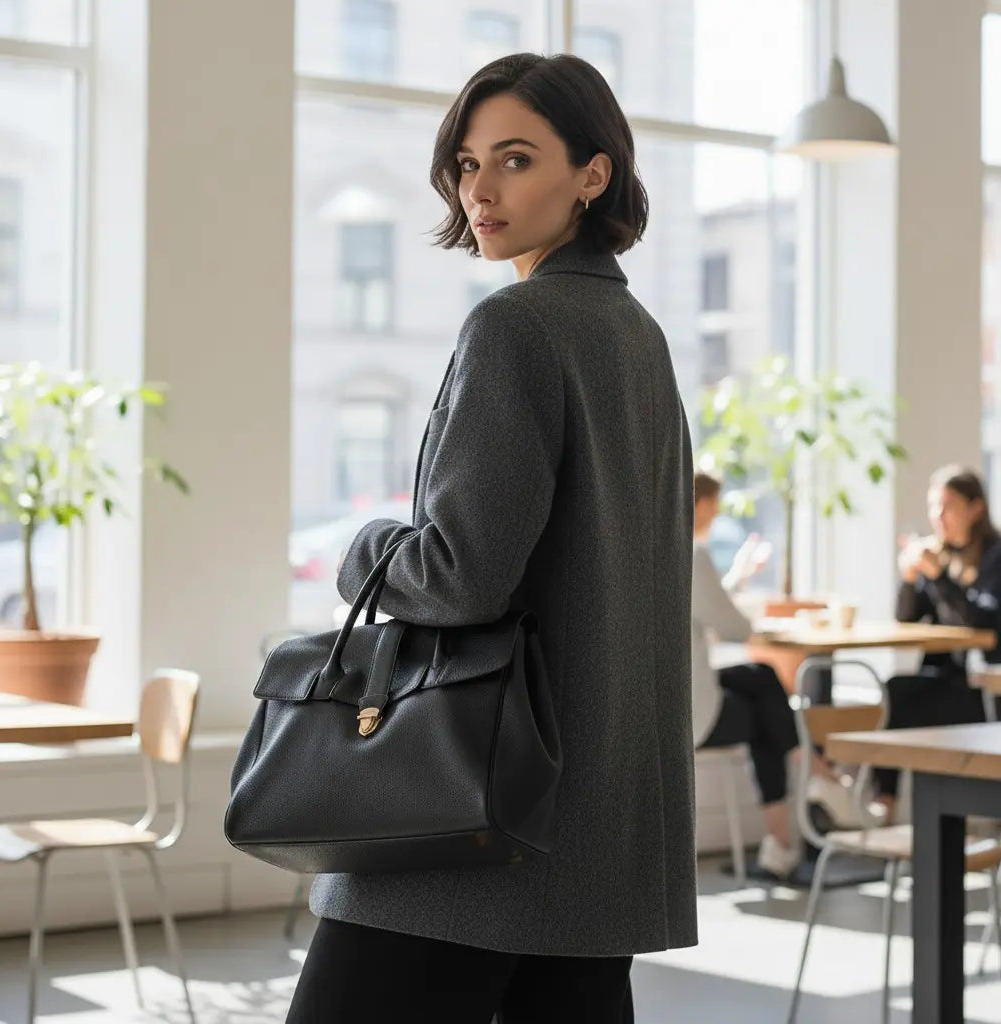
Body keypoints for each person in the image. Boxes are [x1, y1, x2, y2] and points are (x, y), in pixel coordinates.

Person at [286, 53, 696, 1023]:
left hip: (473, 821)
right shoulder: (636, 335)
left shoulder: (516, 328)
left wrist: (363, 547)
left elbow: (461, 576)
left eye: (515, 159)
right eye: (467, 163)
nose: (479, 189)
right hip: (596, 821)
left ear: (592, 175)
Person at [692, 472, 861, 878]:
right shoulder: (690, 554)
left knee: (762, 677)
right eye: (714, 509)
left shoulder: (648, 550)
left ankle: (785, 838)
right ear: (696, 504)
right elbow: (733, 627)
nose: (714, 518)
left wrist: (737, 578)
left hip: (663, 701)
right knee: (766, 711)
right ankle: (817, 775)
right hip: (691, 715)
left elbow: (707, 610)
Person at [876, 464, 1001, 815]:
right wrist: (908, 577)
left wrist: (939, 576)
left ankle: (884, 805)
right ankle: (884, 804)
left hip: (985, 687)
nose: (938, 516)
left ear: (975, 509)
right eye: (933, 506)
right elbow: (906, 618)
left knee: (900, 696)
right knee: (897, 691)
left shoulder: (996, 557)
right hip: (948, 679)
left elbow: (982, 623)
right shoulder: (939, 553)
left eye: (946, 506)